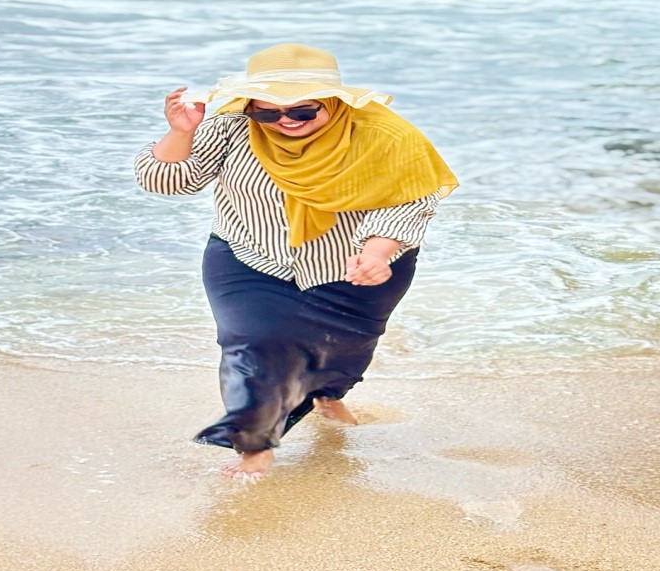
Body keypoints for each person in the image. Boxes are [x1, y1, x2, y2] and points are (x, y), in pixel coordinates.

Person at [134, 42, 458, 479]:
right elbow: (166, 181)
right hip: (248, 255)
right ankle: (254, 449)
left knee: (344, 351)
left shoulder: (387, 136)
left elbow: (409, 199)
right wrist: (181, 132)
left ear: (333, 102)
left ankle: (330, 393)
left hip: (357, 263)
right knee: (256, 344)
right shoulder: (232, 127)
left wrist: (377, 253)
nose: (284, 121)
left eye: (302, 111)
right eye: (267, 113)